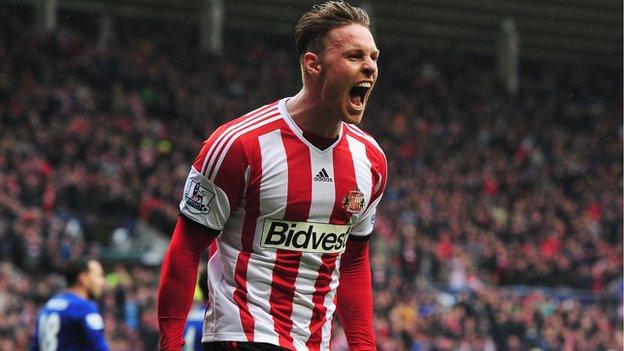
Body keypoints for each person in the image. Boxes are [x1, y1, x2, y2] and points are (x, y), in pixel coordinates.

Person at [158, 1, 387, 350]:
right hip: (242, 337)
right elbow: (186, 249)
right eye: (355, 56)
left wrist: (364, 346)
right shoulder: (239, 144)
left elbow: (353, 261)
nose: (370, 67)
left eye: (374, 57)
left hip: (314, 343)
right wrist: (170, 345)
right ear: (314, 65)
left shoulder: (370, 161)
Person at [29, 258, 109, 351]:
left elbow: (35, 347)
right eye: (98, 276)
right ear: (83, 278)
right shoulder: (84, 307)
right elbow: (99, 347)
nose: (102, 282)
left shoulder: (49, 306)